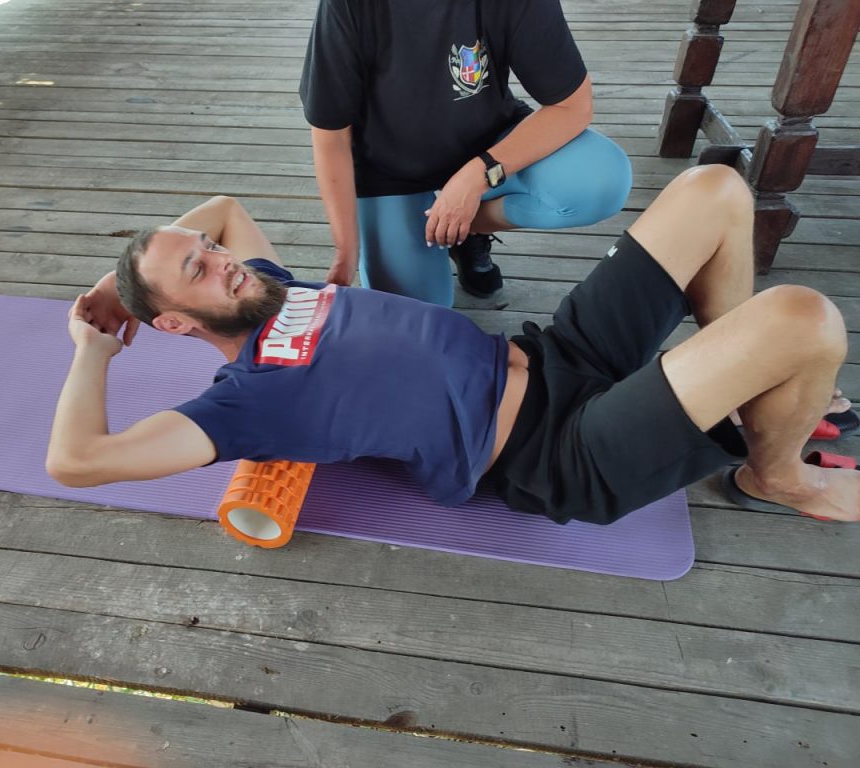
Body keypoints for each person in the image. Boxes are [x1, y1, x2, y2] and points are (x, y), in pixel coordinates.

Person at [46, 165, 859, 524]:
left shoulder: (265, 286)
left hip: (557, 355)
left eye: (209, 251)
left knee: (714, 190)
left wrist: (118, 280)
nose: (222, 258)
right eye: (199, 269)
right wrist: (94, 344)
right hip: (557, 451)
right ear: (176, 324)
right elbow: (76, 461)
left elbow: (224, 208)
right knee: (803, 318)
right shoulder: (243, 402)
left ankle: (751, 395)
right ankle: (773, 474)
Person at [299, 0, 632, 306]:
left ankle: (465, 227)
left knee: (601, 181)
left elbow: (573, 107)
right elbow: (332, 137)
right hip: (387, 171)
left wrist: (479, 175)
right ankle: (440, 225)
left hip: (485, 143)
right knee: (418, 319)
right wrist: (346, 254)